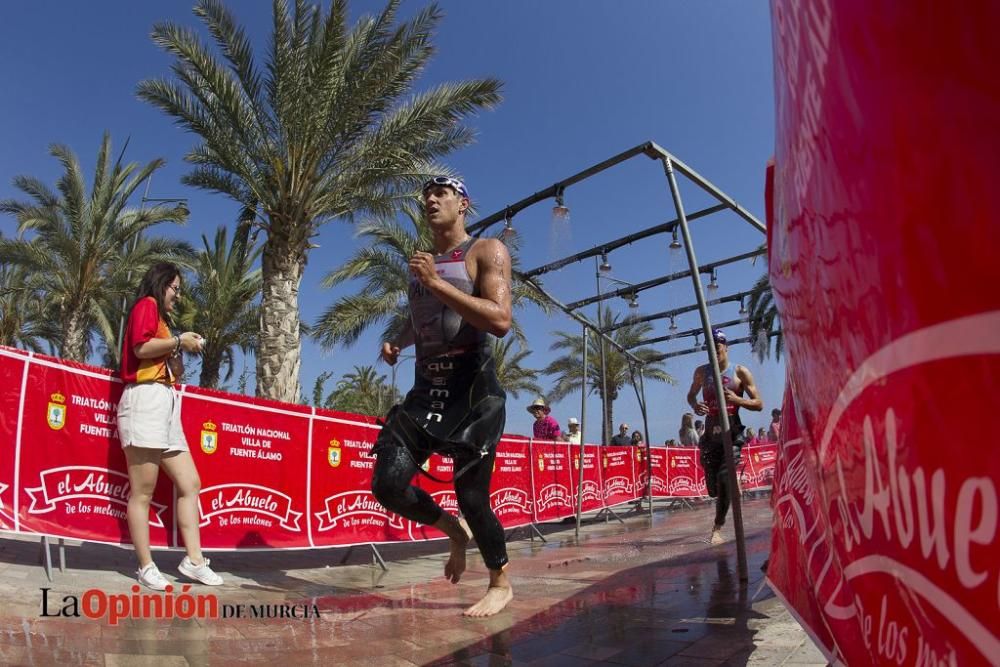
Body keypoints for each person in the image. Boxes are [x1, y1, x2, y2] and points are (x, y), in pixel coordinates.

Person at [371, 176, 514, 618]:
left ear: (463, 203)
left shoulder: (486, 251)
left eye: (442, 194)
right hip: (425, 389)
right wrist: (398, 341)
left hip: (473, 392)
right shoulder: (425, 264)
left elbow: (500, 319)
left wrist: (435, 284)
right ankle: (453, 530)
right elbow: (424, 320)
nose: (431, 200)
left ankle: (500, 581)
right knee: (388, 484)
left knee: (473, 496)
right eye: (426, 195)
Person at [117, 262, 223, 590]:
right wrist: (179, 342)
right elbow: (140, 348)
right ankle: (146, 567)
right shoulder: (146, 306)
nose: (177, 296)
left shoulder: (160, 317)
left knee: (190, 482)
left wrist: (177, 350)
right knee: (143, 492)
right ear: (161, 283)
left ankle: (193, 560)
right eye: (175, 288)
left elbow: (159, 354)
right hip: (145, 401)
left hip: (165, 403)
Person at [686, 329, 762, 545]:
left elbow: (758, 403)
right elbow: (691, 394)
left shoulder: (740, 372)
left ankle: (717, 527)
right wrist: (694, 404)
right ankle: (724, 492)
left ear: (725, 347)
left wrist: (737, 400)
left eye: (717, 348)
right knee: (713, 488)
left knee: (724, 479)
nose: (714, 353)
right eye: (709, 349)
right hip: (710, 436)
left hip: (732, 435)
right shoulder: (701, 372)